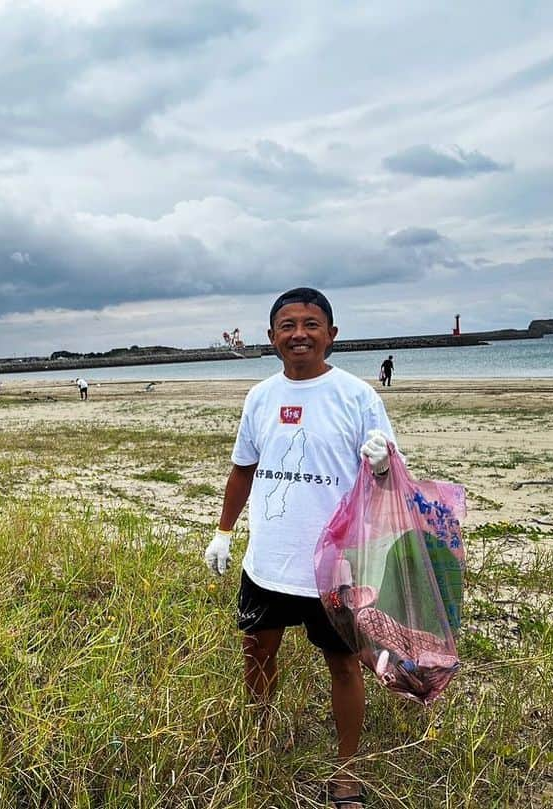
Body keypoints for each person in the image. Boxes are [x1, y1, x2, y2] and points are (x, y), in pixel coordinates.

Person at [204, 287, 396, 809]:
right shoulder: (260, 396)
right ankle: (257, 742)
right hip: (267, 563)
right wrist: (223, 532)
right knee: (257, 656)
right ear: (271, 338)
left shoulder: (358, 396)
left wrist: (381, 464)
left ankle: (347, 773)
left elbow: (389, 482)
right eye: (287, 325)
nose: (299, 334)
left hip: (335, 566)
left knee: (344, 666)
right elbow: (243, 468)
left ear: (332, 335)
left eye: (312, 324)